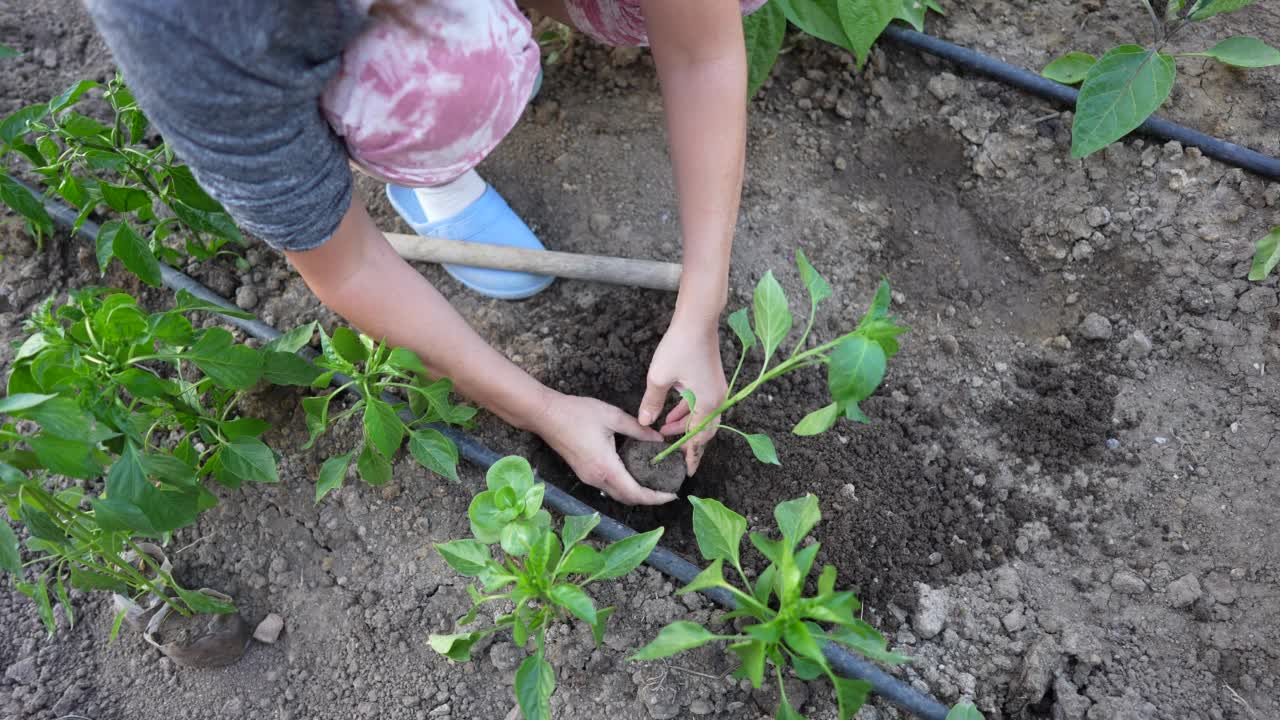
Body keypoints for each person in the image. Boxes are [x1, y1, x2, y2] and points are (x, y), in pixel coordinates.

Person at [84, 0, 764, 504]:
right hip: (282, 43)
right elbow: (345, 262)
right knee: (452, 83)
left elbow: (703, 50)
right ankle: (426, 162)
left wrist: (702, 303)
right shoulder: (189, 31)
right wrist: (542, 411)